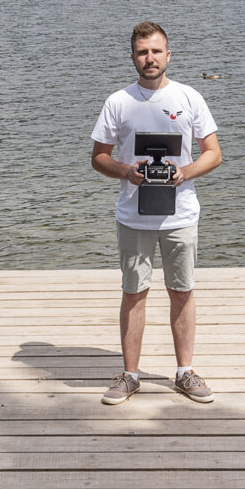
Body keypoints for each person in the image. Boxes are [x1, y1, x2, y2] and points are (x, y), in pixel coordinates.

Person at [91, 21, 221, 405]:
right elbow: (98, 157)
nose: (150, 58)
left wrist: (185, 173)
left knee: (181, 291)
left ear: (168, 55)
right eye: (142, 52)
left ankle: (184, 372)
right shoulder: (118, 102)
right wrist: (126, 171)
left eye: (156, 51)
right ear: (133, 57)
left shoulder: (189, 97)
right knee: (134, 293)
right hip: (133, 216)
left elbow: (213, 153)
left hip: (181, 215)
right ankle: (130, 375)